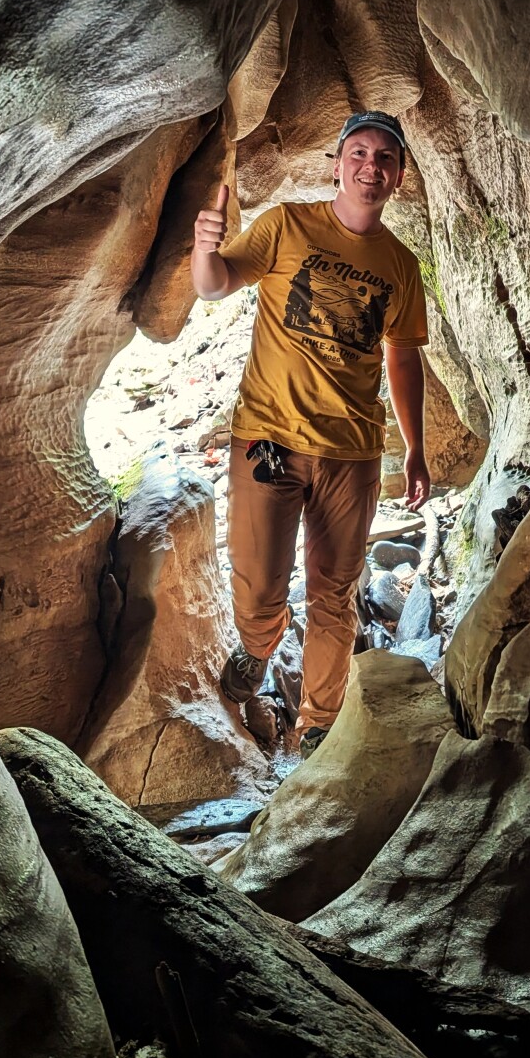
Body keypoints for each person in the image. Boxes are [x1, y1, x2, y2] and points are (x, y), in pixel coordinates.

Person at [191, 111, 429, 757]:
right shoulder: (287, 226)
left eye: (384, 158)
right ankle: (260, 645)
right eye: (358, 153)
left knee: (334, 592)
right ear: (337, 163)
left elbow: (402, 358)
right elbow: (215, 286)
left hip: (351, 451)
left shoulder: (400, 266)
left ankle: (318, 725)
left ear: (399, 176)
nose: (370, 167)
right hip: (269, 438)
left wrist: (416, 448)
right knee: (260, 580)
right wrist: (205, 244)